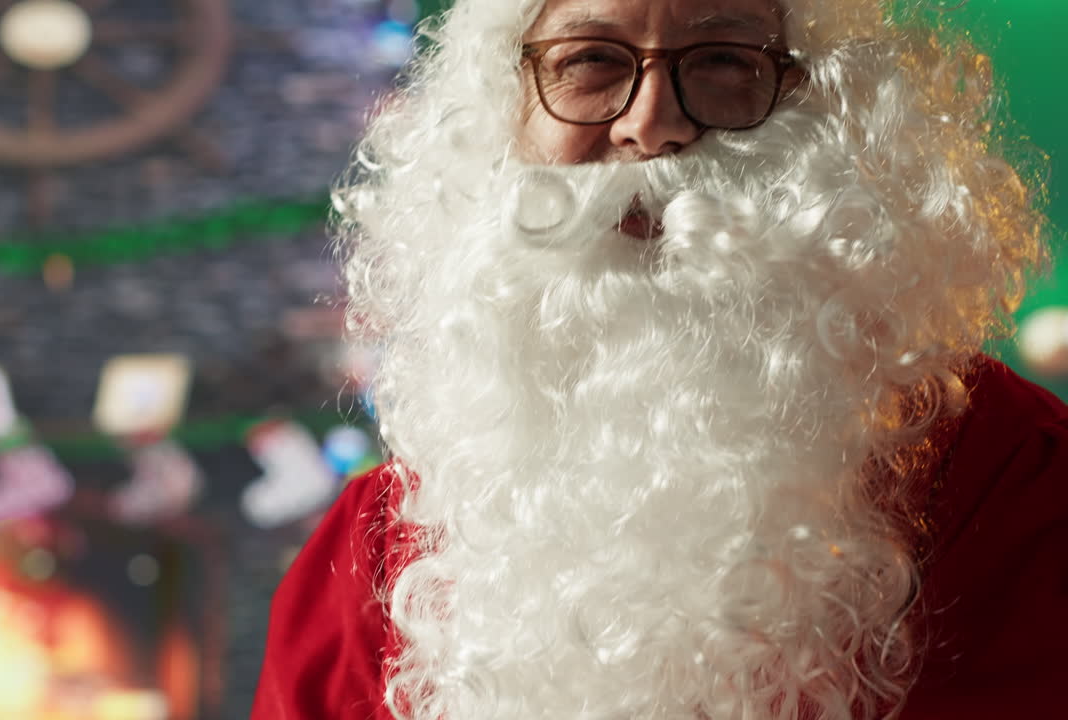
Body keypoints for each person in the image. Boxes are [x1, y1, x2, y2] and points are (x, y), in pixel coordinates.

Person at [253, 0, 1068, 718]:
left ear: (827, 104)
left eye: (722, 63)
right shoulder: (370, 552)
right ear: (504, 114)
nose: (653, 123)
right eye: (590, 62)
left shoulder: (1017, 480)